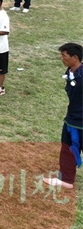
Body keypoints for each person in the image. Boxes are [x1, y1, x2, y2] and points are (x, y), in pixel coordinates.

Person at [43, 43, 83, 189]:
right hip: (72, 117)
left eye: (64, 55)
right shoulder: (71, 72)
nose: (62, 58)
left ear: (75, 58)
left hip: (78, 120)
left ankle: (66, 179)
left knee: (69, 146)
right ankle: (66, 179)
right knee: (68, 148)